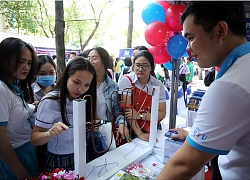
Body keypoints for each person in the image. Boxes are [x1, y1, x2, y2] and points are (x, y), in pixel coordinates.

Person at [157, 2, 250, 179]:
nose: (187, 48)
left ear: (220, 31)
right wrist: (193, 133)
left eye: (191, 38)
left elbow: (183, 166)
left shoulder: (230, 86)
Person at [30, 57, 97, 172]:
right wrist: (49, 133)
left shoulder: (84, 98)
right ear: (66, 77)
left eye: (87, 85)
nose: (80, 89)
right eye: (76, 82)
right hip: (59, 158)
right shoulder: (50, 101)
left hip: (82, 152)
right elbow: (34, 139)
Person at [0, 37, 39, 179]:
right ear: (4, 61)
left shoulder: (12, 87)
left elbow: (14, 111)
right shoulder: (1, 90)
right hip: (14, 160)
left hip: (26, 154)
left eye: (29, 63)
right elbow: (1, 142)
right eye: (20, 62)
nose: (26, 67)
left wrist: (32, 107)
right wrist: (22, 174)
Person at [118, 50, 166, 142]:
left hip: (151, 127)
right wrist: (140, 134)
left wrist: (139, 115)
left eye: (145, 65)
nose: (140, 69)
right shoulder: (126, 81)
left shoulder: (157, 85)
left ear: (151, 67)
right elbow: (129, 112)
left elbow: (162, 113)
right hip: (132, 128)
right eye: (137, 65)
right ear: (133, 66)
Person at [88, 47, 130, 147]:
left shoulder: (113, 87)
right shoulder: (84, 84)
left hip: (105, 133)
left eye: (94, 58)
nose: (90, 62)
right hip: (85, 134)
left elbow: (117, 111)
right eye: (88, 58)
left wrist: (122, 123)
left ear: (104, 62)